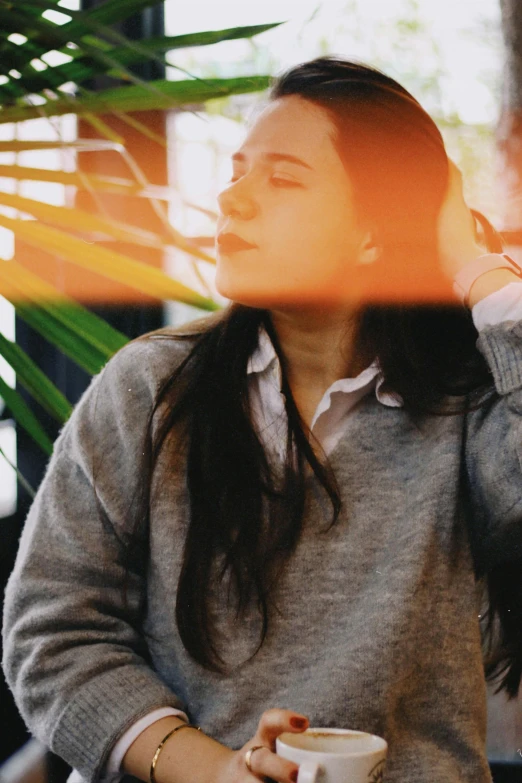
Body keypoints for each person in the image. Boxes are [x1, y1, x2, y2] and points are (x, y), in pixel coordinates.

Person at [2, 55, 522, 783]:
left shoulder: (467, 405)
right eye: (238, 172)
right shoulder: (151, 387)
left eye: (280, 179)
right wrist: (215, 771)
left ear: (377, 232)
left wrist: (478, 268)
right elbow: (52, 634)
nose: (233, 199)